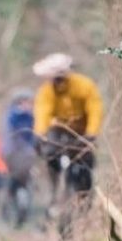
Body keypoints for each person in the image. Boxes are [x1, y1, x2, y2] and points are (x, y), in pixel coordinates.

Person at [32, 52, 103, 202]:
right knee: (50, 153)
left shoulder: (85, 86)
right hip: (58, 131)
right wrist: (40, 135)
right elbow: (42, 114)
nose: (57, 81)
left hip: (82, 132)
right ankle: (54, 190)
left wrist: (91, 133)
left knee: (85, 160)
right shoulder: (46, 91)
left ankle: (84, 197)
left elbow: (95, 110)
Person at [1, 88, 38, 226]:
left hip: (26, 157)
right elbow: (9, 139)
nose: (30, 105)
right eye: (27, 102)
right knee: (13, 182)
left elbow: (34, 136)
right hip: (13, 156)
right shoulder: (12, 117)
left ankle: (21, 211)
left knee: (23, 183)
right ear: (20, 103)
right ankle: (8, 209)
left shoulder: (30, 117)